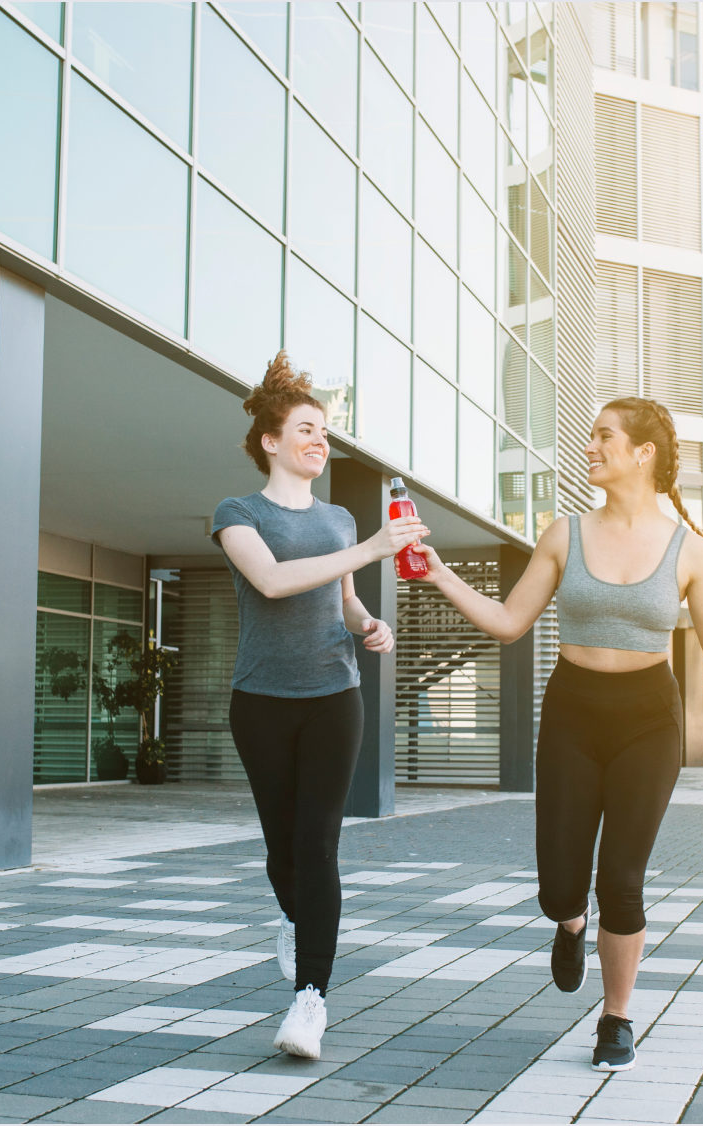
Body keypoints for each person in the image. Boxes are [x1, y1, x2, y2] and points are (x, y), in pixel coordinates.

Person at [409, 397, 703, 1072]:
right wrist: (439, 572)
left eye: (603, 436)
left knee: (621, 876)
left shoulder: (690, 550)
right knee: (561, 882)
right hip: (572, 711)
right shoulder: (564, 534)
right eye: (591, 434)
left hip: (649, 718)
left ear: (642, 453)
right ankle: (569, 921)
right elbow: (509, 622)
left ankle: (616, 1016)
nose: (590, 446)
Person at [211, 353, 428, 1060]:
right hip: (262, 703)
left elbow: (342, 599)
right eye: (305, 428)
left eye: (324, 432)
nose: (318, 440)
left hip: (336, 697)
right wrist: (369, 548)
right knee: (282, 854)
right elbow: (273, 581)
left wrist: (368, 625)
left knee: (317, 844)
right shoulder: (237, 514)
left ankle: (311, 999)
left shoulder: (337, 519)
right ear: (270, 441)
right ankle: (298, 919)